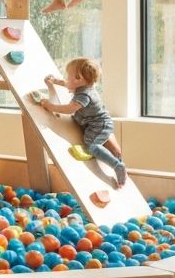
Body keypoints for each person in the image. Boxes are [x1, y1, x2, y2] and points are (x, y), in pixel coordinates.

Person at [36, 57, 127, 188]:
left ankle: (117, 165)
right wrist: (53, 81)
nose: (67, 79)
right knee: (97, 142)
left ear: (79, 79)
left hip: (99, 125)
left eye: (69, 76)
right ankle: (114, 153)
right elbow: (68, 84)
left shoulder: (84, 95)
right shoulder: (84, 85)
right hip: (93, 122)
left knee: (92, 147)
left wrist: (50, 106)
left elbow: (68, 109)